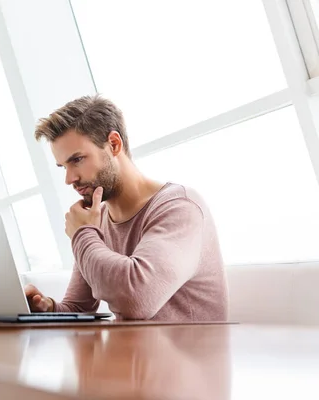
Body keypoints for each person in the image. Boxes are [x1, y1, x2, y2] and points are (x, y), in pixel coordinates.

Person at [24, 94, 228, 321]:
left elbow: (136, 300)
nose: (70, 178)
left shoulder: (180, 207)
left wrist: (82, 234)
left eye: (77, 160)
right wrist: (48, 308)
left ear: (114, 144)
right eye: (63, 167)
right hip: (131, 354)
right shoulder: (96, 219)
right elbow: (79, 308)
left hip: (186, 356)